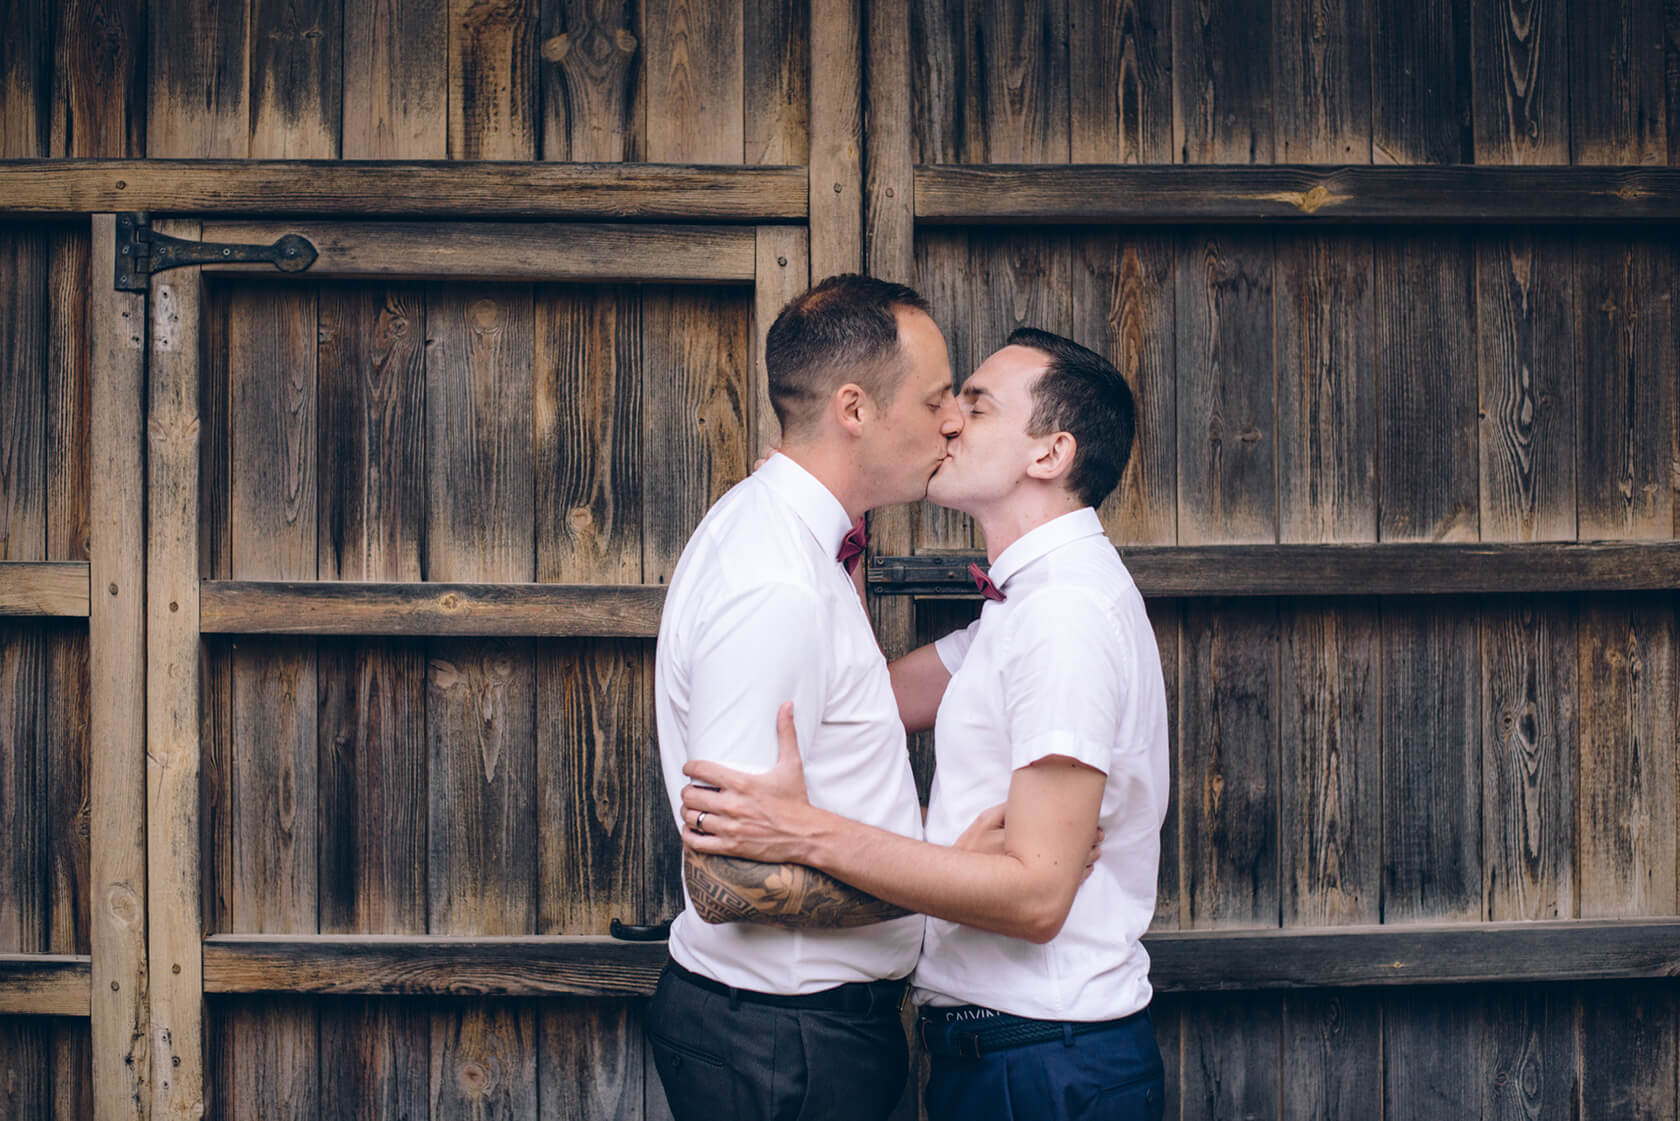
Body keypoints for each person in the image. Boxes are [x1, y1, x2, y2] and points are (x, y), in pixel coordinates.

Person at [681, 328, 1170, 1121]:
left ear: (1048, 454)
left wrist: (804, 833)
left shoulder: (1065, 618)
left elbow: (1038, 897)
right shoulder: (1019, 609)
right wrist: (812, 519)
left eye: (975, 408)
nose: (949, 424)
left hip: (1044, 1064)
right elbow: (862, 694)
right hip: (1009, 1054)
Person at [645, 273, 969, 1121]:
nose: (954, 420)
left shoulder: (800, 547)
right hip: (785, 1052)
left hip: (801, 1038)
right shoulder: (776, 580)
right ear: (855, 408)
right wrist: (958, 881)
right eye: (936, 398)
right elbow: (726, 880)